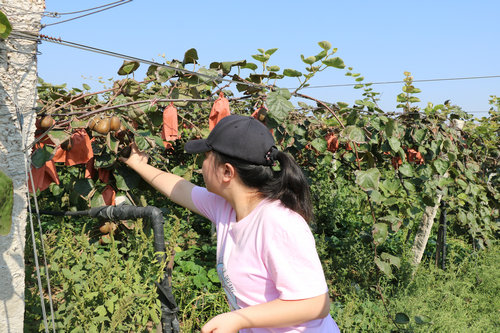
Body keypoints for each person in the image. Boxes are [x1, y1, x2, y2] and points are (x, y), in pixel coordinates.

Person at [121, 114, 340, 333]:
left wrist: (239, 319)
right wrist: (137, 164)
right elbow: (180, 189)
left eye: (206, 157)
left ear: (227, 172)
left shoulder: (278, 222)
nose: (201, 165)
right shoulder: (225, 207)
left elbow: (316, 304)